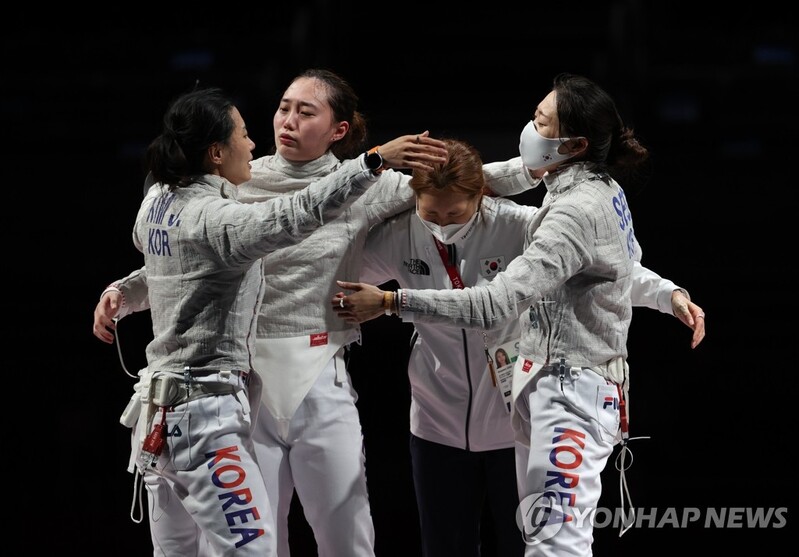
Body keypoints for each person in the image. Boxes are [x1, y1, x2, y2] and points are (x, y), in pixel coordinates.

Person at [94, 68, 523, 556]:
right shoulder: (239, 185)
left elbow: (462, 182)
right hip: (245, 383)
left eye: (305, 111)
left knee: (348, 538)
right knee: (258, 541)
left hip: (319, 374)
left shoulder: (367, 185)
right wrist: (126, 291)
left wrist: (535, 168)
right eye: (282, 107)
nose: (286, 121)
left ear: (338, 130)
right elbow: (193, 262)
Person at [333, 73, 706, 556]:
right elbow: (605, 262)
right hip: (459, 411)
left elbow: (507, 298)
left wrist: (389, 302)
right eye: (432, 214)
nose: (442, 225)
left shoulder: (534, 221)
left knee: (550, 545)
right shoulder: (588, 189)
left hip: (537, 401)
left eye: (540, 120)